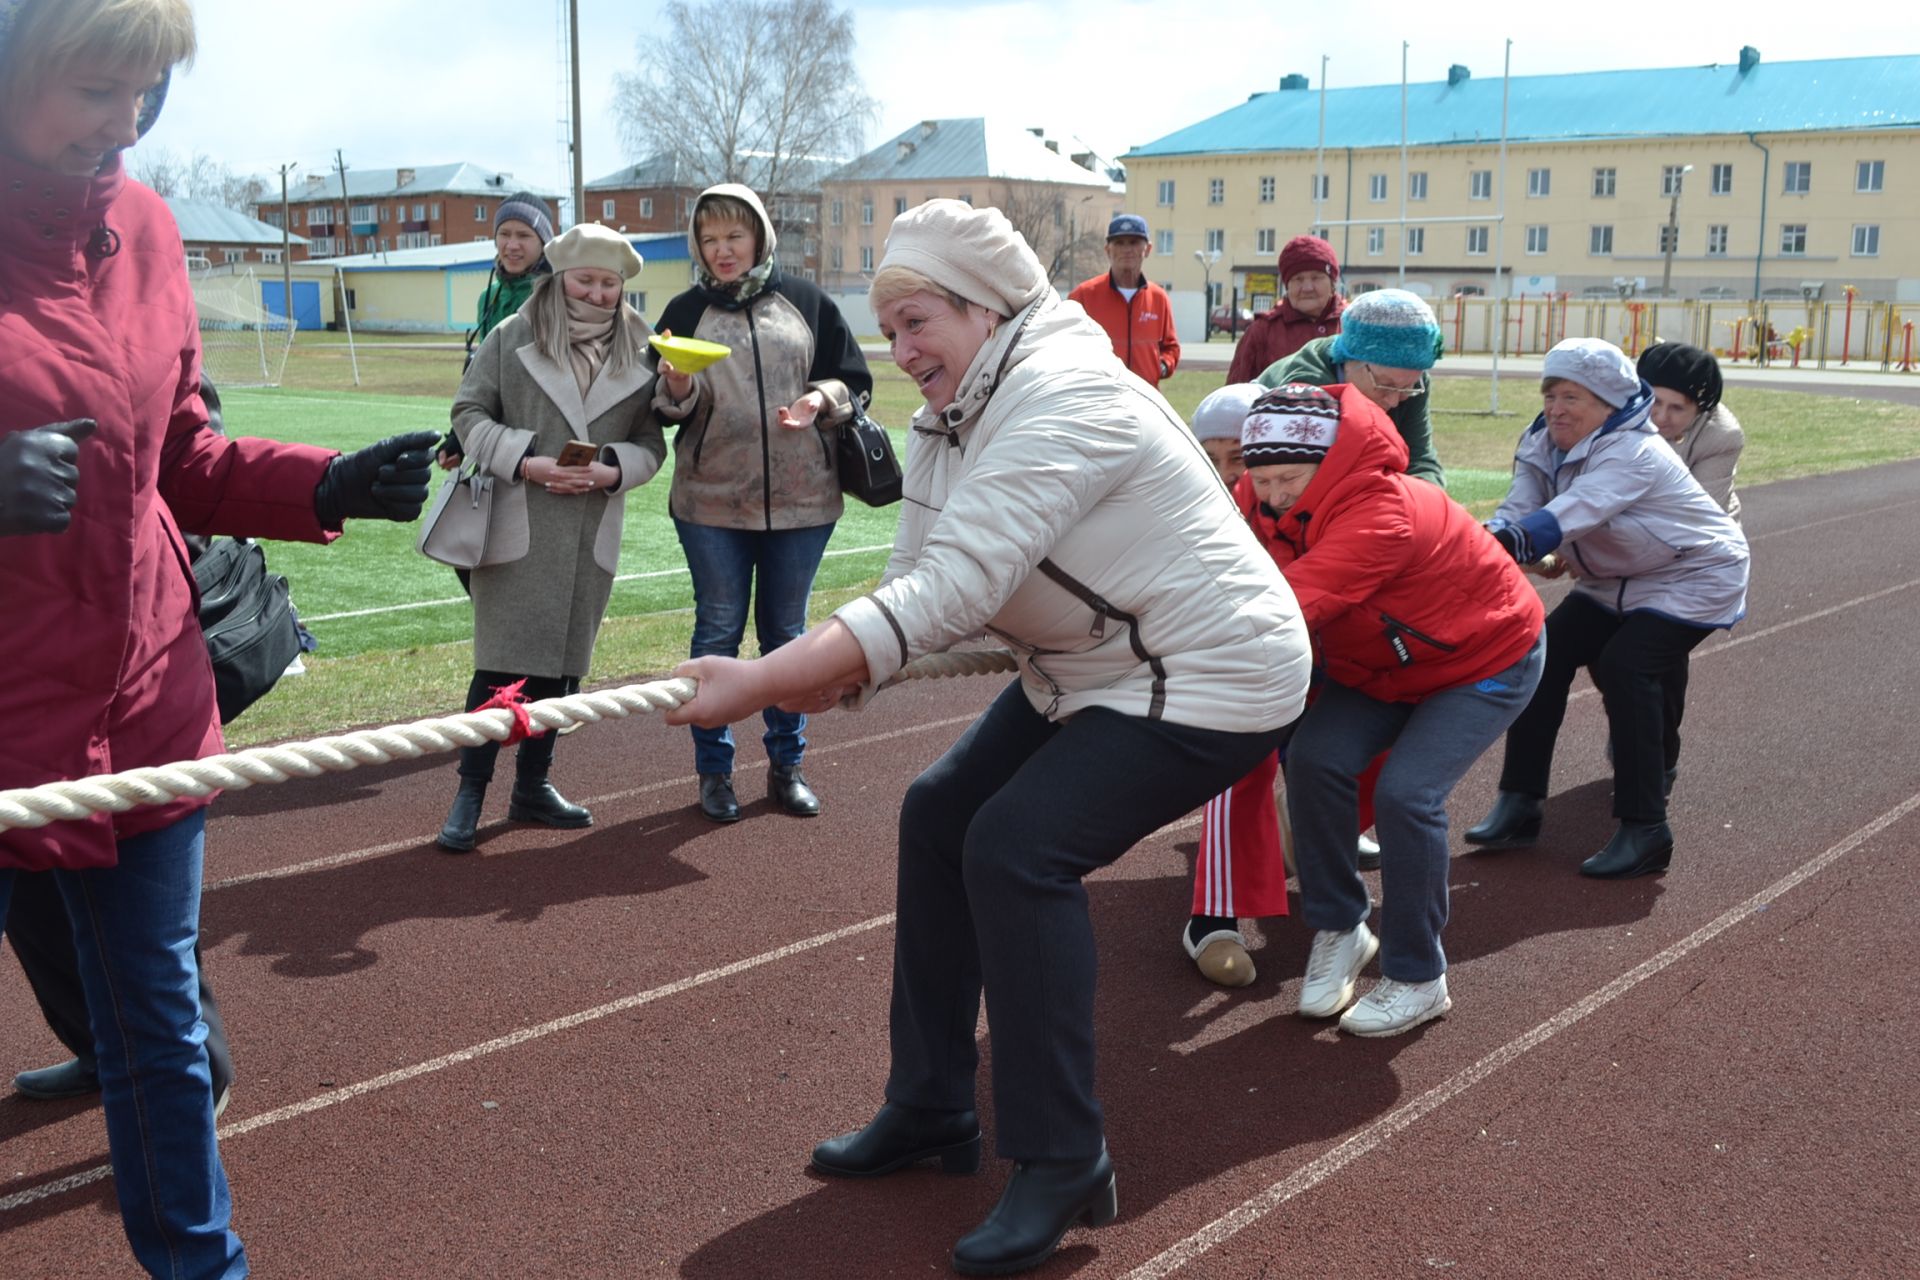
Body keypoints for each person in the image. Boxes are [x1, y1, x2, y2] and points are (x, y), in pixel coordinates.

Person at [665, 199, 1311, 1277]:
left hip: (1213, 675)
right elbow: (917, 592)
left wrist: (769, 681)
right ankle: (928, 1108)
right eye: (893, 329)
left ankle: (1063, 1155)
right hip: (1094, 668)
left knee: (1017, 847)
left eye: (919, 321)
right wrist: (839, 671)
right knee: (939, 814)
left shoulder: (1064, 394)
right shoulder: (958, 411)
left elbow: (957, 588)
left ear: (987, 306)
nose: (901, 350)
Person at [0, 3, 438, 1274]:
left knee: (161, 1031)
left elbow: (179, 453)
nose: (124, 124)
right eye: (95, 87)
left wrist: (324, 482)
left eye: (147, 93)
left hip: (142, 701)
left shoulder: (144, 224)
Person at [1232, 385, 1546, 1033]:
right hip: (1379, 663)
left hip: (1483, 657)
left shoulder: (1381, 514)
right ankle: (1342, 926)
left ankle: (1418, 975)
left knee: (1408, 795)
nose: (1272, 494)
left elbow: (1281, 609)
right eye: (1258, 477)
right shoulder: (1253, 500)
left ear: (1331, 463)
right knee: (1316, 761)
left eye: (1288, 477)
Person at [1465, 338, 1750, 879]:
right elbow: (1521, 507)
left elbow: (1570, 512)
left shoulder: (1635, 450)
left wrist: (1488, 546)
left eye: (1573, 396)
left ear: (1610, 403)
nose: (1556, 407)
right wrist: (1489, 536)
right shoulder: (1540, 440)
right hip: (1617, 577)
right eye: (1550, 393)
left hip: (1693, 574)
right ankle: (1520, 803)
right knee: (1540, 656)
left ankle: (1646, 830)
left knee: (1627, 664)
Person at [436, 223, 667, 851]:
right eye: (586, 280)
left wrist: (614, 468)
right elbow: (468, 414)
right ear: (560, 278)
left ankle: (532, 787)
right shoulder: (513, 336)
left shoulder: (646, 350)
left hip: (590, 532)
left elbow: (652, 443)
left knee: (564, 673)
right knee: (499, 669)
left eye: (609, 284)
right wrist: (524, 461)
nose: (597, 294)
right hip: (518, 525)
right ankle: (470, 791)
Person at [652, 183, 872, 824]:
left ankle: (787, 767)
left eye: (734, 237)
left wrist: (818, 400)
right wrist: (676, 384)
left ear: (760, 237)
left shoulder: (805, 302)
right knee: (717, 630)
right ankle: (714, 774)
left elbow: (854, 381)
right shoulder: (683, 311)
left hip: (803, 504)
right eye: (709, 239)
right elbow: (664, 410)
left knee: (787, 637)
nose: (722, 251)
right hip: (711, 505)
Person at [1257, 287, 1445, 486]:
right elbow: (1318, 485)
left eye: (1407, 388)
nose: (1393, 400)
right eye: (1385, 386)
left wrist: (1427, 501)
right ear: (1349, 362)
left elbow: (1420, 460)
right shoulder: (1307, 390)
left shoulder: (1413, 381)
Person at [1066, 213, 1181, 386]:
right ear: (1108, 250)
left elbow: (1171, 347)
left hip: (1145, 398)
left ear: (1148, 249)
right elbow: (1065, 346)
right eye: (1119, 243)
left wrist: (1162, 366)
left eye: (1134, 242)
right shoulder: (1083, 296)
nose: (1127, 249)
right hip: (1097, 399)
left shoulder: (1159, 298)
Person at [1227, 234, 1346, 383]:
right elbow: (1236, 397)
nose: (1307, 287)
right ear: (1287, 286)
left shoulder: (1354, 324)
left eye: (1316, 277)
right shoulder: (1262, 332)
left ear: (1332, 283)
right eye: (1298, 279)